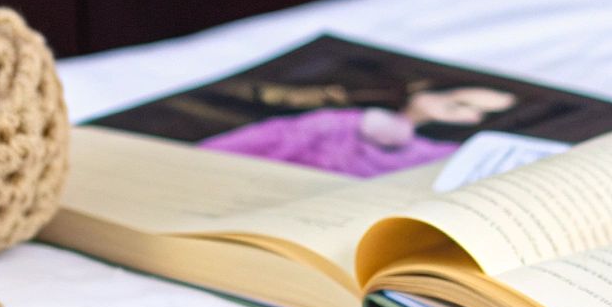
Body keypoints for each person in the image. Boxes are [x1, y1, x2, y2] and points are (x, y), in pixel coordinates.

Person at [200, 85, 518, 177]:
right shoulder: (342, 120)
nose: (466, 111)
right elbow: (267, 138)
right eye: (458, 98)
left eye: (478, 111)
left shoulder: (441, 155)